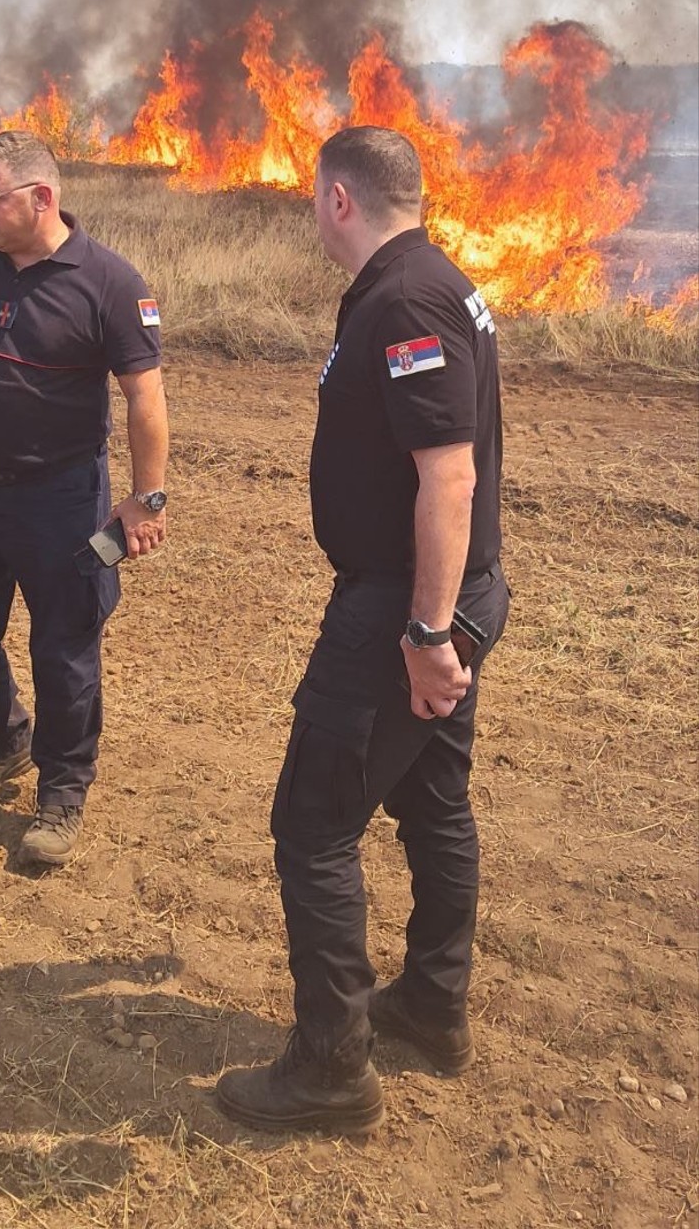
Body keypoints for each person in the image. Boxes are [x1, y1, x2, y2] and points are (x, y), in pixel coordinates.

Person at [216, 126, 509, 1134]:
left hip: (402, 609)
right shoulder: (420, 281)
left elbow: (449, 476)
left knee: (313, 825)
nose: (311, 211)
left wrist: (426, 633)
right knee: (431, 800)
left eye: (314, 196)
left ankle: (331, 1069)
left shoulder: (406, 301)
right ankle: (430, 1004)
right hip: (433, 596)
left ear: (339, 199)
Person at [0, 130, 168, 868]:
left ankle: (63, 791)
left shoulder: (109, 282)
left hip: (63, 500)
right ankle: (0, 741)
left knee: (65, 651)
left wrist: (146, 499)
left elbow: (144, 397)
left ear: (42, 197)